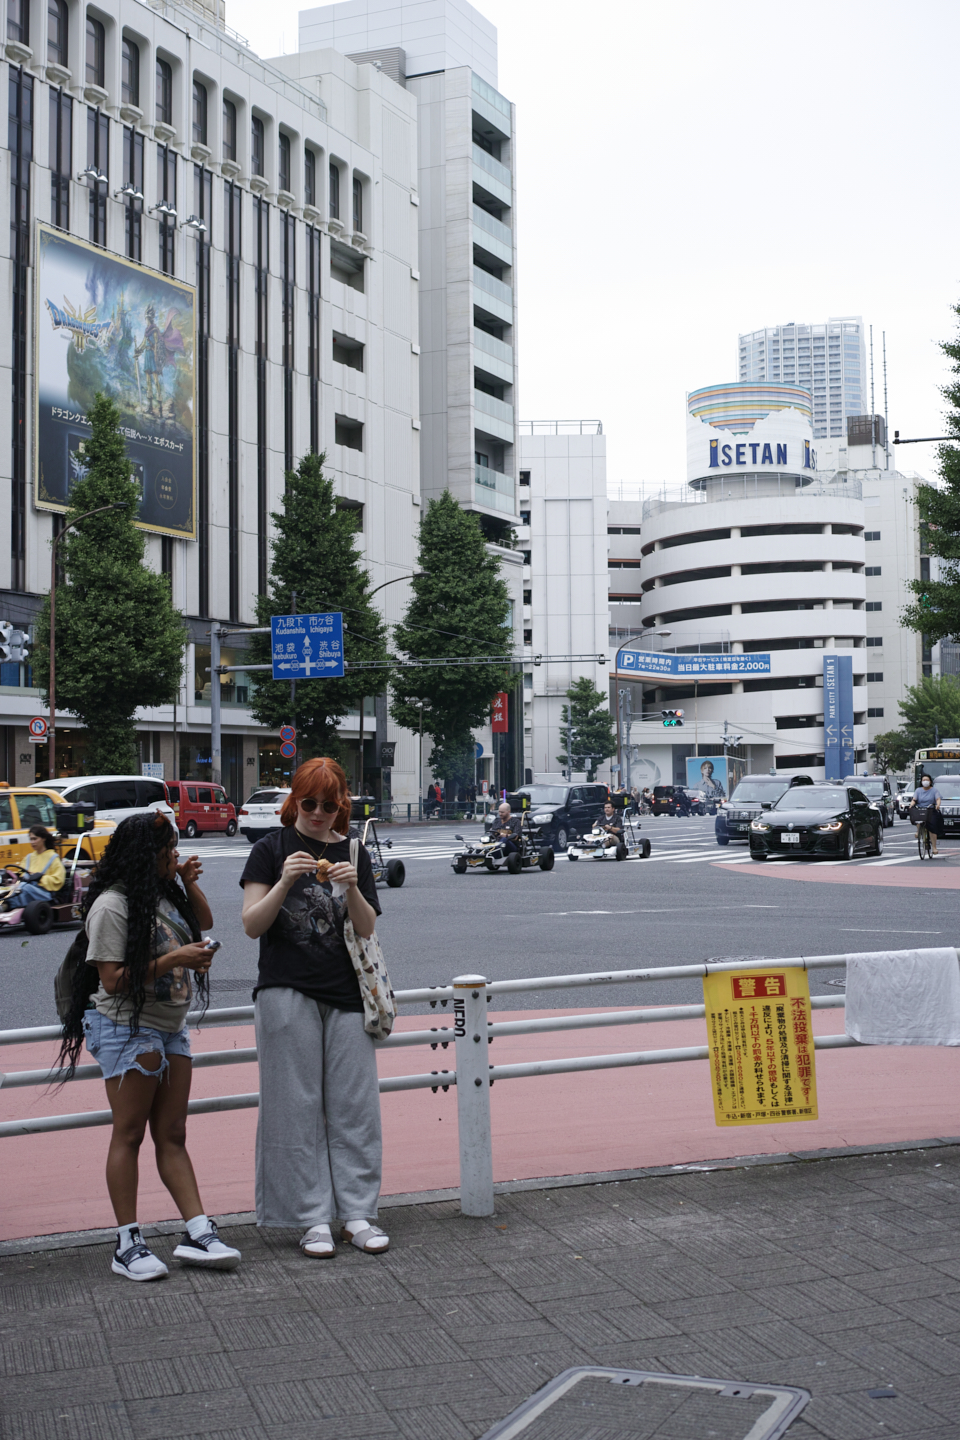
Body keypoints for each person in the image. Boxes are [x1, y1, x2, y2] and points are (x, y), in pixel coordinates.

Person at [56, 813, 239, 1281]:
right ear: (145, 856)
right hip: (125, 1027)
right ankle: (127, 1243)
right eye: (167, 851)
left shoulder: (164, 892)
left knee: (173, 1132)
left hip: (169, 1026)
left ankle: (198, 1232)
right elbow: (112, 980)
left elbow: (203, 921)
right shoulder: (112, 906)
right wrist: (176, 957)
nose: (174, 855)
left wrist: (185, 880)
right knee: (130, 1133)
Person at [240, 756, 388, 1259]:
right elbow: (251, 925)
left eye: (329, 804)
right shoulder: (270, 849)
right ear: (295, 802)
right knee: (292, 1107)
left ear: (341, 804)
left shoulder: (353, 852)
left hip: (347, 993)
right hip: (286, 990)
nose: (319, 813)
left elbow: (366, 927)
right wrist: (284, 882)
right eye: (310, 803)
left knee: (356, 1108)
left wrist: (352, 888)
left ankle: (357, 1214)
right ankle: (310, 1218)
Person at [7, 826, 66, 908]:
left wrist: (40, 878)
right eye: (31, 839)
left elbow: (58, 880)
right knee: (12, 888)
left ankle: (8, 906)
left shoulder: (53, 857)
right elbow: (20, 874)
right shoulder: (29, 857)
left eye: (35, 839)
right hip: (26, 890)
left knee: (24, 888)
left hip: (44, 893)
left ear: (43, 839)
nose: (32, 842)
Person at [912, 773, 944, 854]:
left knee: (932, 827)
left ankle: (934, 847)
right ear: (921, 781)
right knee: (916, 817)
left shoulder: (934, 790)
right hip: (920, 809)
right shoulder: (918, 790)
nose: (925, 781)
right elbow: (914, 799)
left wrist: (937, 805)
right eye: (923, 780)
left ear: (930, 782)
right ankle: (918, 830)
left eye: (927, 780)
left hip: (930, 810)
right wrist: (911, 804)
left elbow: (938, 799)